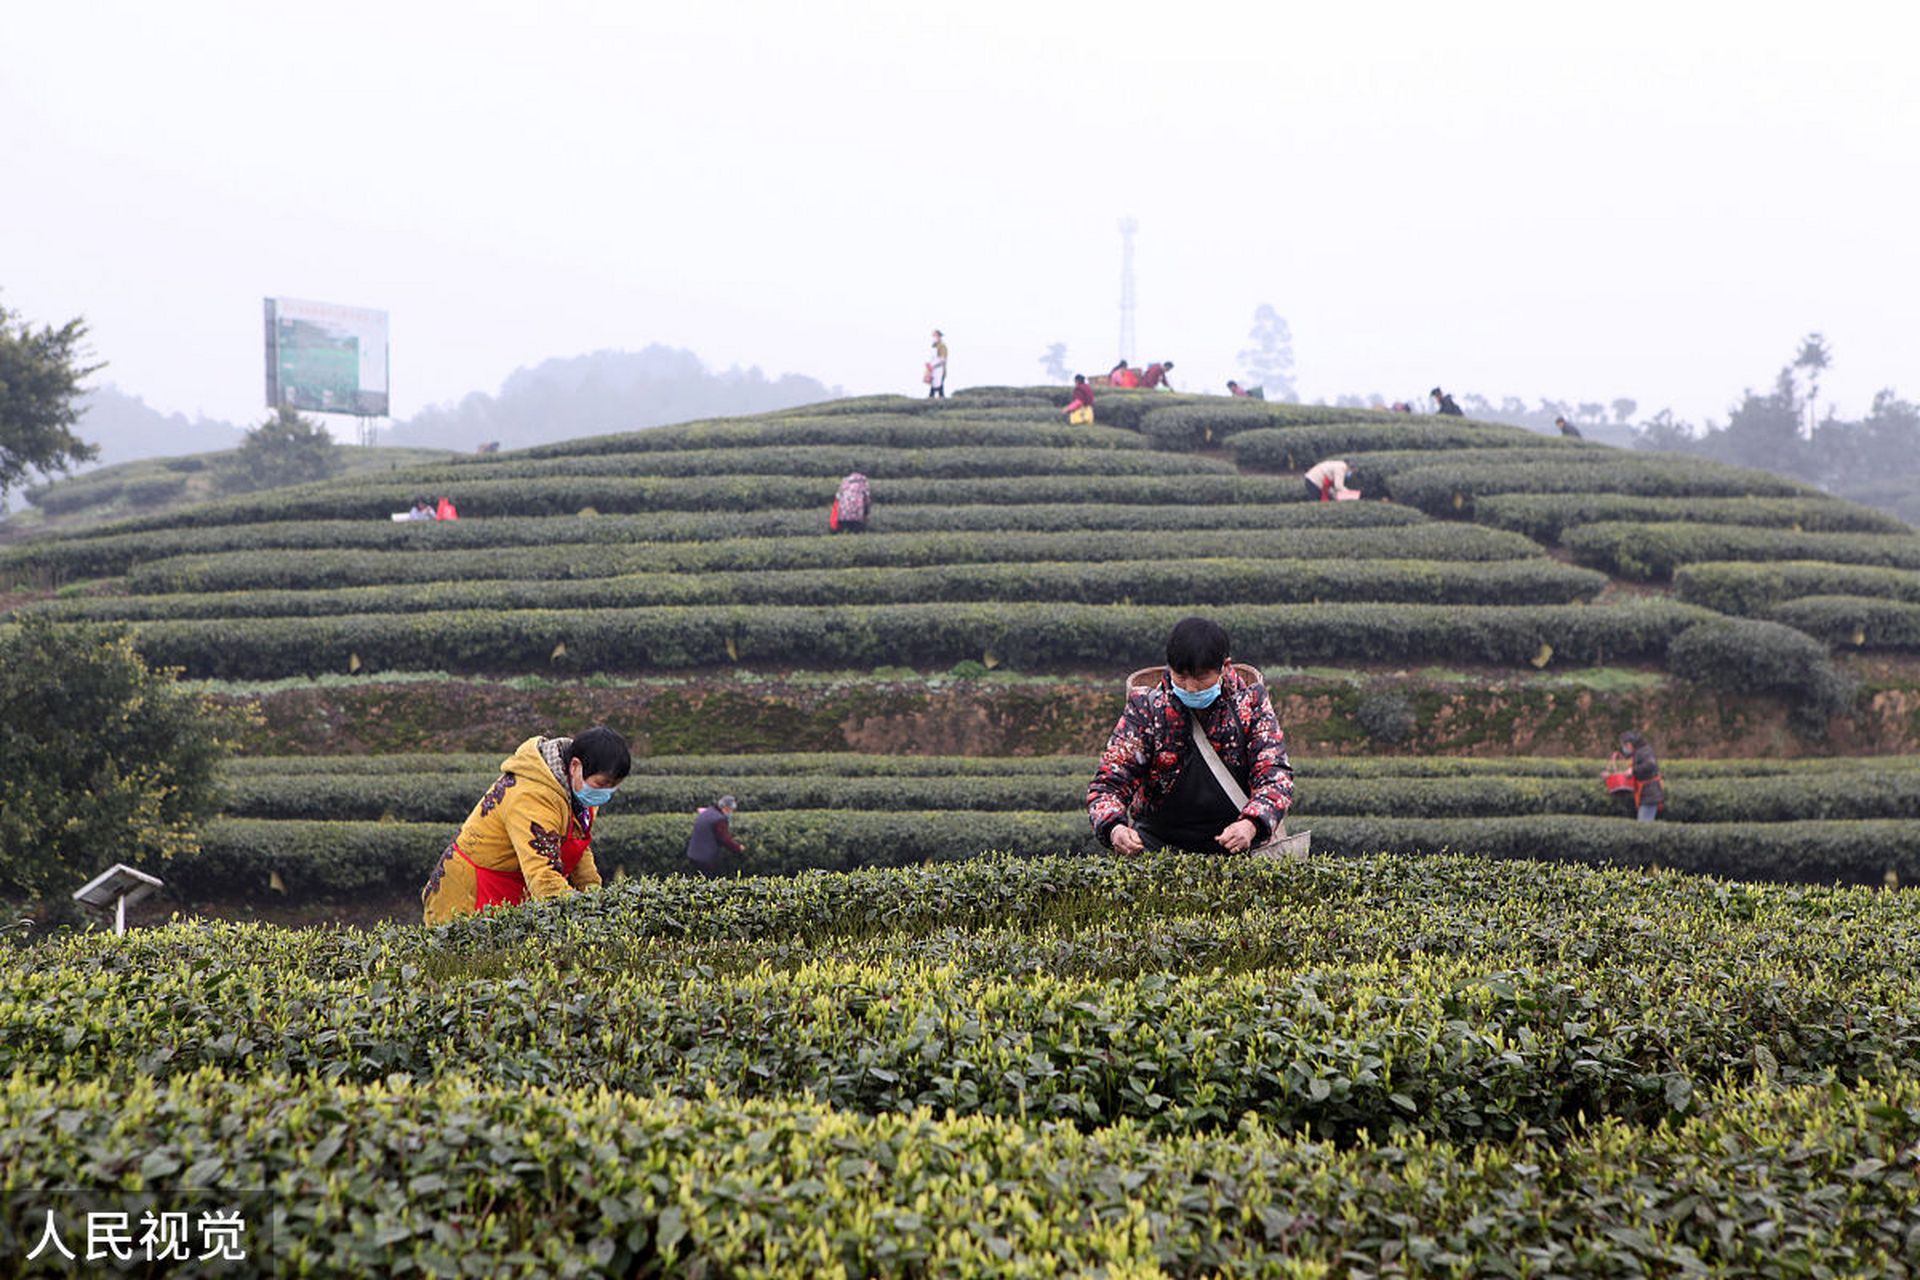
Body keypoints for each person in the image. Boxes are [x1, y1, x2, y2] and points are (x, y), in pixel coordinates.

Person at [1088, 617, 1294, 855]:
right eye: (1181, 677)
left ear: (1225, 666)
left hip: (1238, 845)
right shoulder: (1146, 706)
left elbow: (1275, 776)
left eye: (1200, 677)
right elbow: (1108, 782)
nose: (1190, 688)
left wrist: (1251, 824)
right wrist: (1115, 828)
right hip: (1157, 848)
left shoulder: (1250, 702)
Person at [421, 726, 630, 924]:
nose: (605, 793)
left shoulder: (578, 791)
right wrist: (587, 919)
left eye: (613, 787)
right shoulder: (532, 796)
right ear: (575, 766)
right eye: (602, 784)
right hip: (468, 893)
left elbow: (578, 850)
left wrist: (596, 898)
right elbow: (543, 876)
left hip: (513, 887)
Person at [686, 795, 746, 878]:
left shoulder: (708, 811)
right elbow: (724, 839)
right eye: (731, 810)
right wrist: (738, 847)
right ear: (726, 808)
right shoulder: (719, 819)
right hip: (706, 858)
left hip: (693, 854)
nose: (731, 812)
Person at [1613, 731, 1665, 822]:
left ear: (1629, 744)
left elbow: (1650, 765)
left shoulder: (1644, 751)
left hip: (1650, 794)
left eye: (1624, 746)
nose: (1624, 749)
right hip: (1645, 794)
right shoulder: (1638, 751)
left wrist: (1633, 770)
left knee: (1644, 826)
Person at [926, 329, 948, 398]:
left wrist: (934, 365)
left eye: (934, 335)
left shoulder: (942, 346)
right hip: (933, 370)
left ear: (938, 336)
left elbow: (943, 359)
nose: (933, 337)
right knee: (934, 387)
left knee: (939, 387)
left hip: (939, 370)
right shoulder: (933, 346)